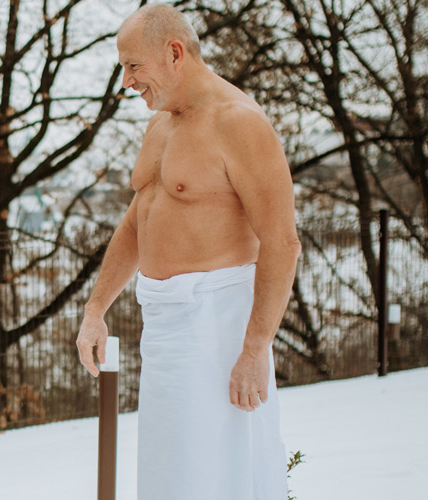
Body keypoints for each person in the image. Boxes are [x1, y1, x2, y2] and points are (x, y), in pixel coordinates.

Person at [74, 5, 300, 498]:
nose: (127, 81)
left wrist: (254, 350)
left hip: (218, 324)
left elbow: (283, 242)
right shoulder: (161, 124)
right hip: (163, 324)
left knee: (221, 468)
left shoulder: (239, 122)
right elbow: (136, 222)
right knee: (170, 471)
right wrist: (95, 309)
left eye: (134, 66)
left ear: (174, 53)